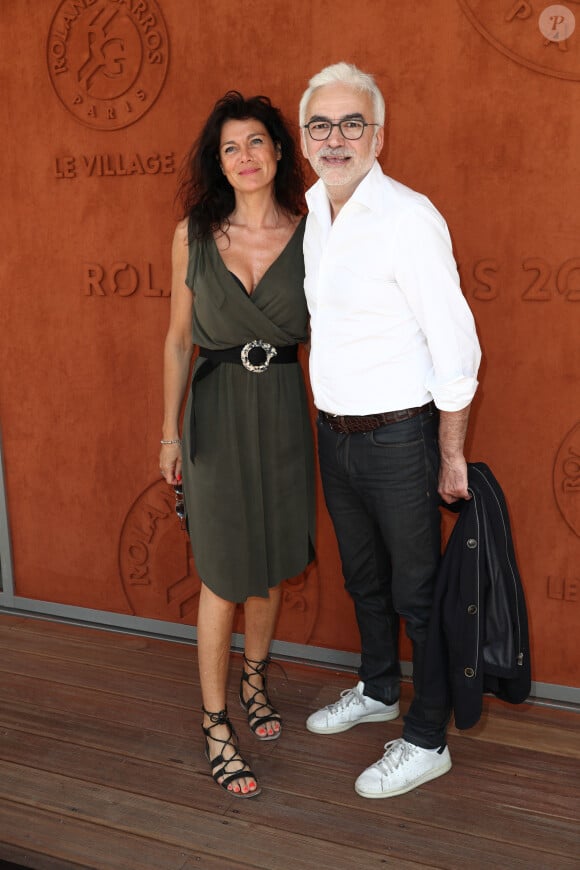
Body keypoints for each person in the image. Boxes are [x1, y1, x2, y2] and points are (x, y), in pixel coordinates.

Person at [299, 62, 481, 798]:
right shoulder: (311, 211)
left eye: (351, 124)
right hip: (334, 434)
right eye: (321, 125)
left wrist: (451, 452)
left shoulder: (409, 217)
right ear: (305, 138)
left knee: (417, 593)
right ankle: (379, 690)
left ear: (378, 136)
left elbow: (457, 345)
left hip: (401, 439)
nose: (335, 139)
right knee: (363, 579)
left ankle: (428, 736)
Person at [159, 91, 315, 799]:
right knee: (223, 572)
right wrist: (169, 431)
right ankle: (216, 722)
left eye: (256, 142)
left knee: (271, 562)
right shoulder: (192, 234)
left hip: (282, 409)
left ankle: (255, 679)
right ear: (217, 162)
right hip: (216, 414)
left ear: (279, 152)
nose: (244, 157)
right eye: (230, 147)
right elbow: (175, 340)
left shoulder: (315, 235)